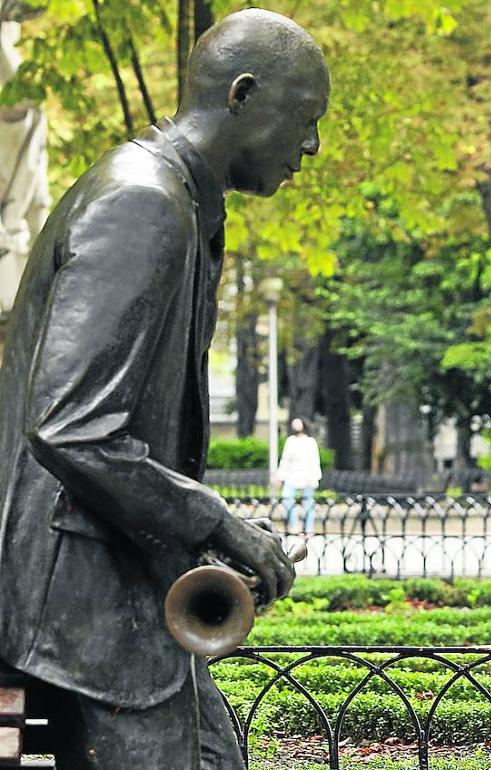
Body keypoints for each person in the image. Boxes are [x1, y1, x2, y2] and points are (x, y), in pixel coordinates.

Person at [0, 9, 329, 768]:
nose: (310, 146)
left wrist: (212, 530)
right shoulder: (143, 203)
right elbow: (70, 427)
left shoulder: (171, 199)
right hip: (83, 609)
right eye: (305, 119)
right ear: (242, 95)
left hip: (112, 600)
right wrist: (216, 521)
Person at [277, 417, 322, 534]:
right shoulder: (290, 441)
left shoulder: (310, 442)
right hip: (292, 476)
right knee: (287, 498)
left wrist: (314, 476)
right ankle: (295, 524)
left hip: (307, 476)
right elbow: (285, 460)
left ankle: (308, 528)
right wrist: (280, 476)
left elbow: (314, 460)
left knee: (308, 502)